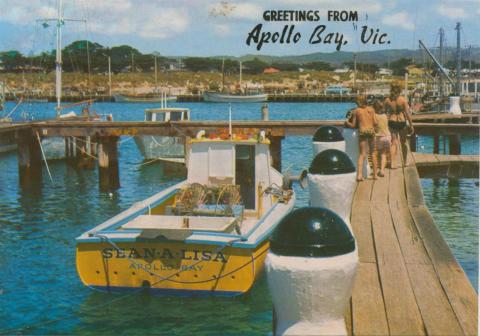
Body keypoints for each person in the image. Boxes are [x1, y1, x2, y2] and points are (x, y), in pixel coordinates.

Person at [345, 95, 378, 181]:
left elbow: (353, 125)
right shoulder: (371, 109)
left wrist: (347, 122)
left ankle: (359, 175)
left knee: (362, 154)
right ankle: (375, 175)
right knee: (373, 153)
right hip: (371, 131)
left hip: (362, 132)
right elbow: (375, 122)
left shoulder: (357, 111)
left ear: (358, 102)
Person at [384, 81, 414, 167]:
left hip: (392, 121)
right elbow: (408, 114)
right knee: (403, 142)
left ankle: (393, 163)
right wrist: (411, 125)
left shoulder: (387, 100)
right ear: (400, 90)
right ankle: (405, 162)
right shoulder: (403, 100)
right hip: (401, 122)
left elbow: (384, 112)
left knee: (393, 142)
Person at [373, 99, 391, 177]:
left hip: (378, 137)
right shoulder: (385, 116)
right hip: (387, 136)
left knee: (377, 154)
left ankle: (377, 169)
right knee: (383, 154)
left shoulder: (374, 116)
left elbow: (374, 125)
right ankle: (382, 170)